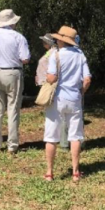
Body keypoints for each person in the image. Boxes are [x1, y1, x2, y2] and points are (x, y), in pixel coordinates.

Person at [43, 26, 92, 182]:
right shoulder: (80, 55)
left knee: (51, 136)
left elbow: (51, 77)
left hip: (57, 99)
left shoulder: (55, 55)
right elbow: (87, 79)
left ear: (61, 40)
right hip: (74, 98)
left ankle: (50, 172)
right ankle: (76, 172)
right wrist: (81, 91)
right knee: (75, 136)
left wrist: (48, 79)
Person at [0, 9, 31, 154]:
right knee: (13, 109)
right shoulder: (18, 37)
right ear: (13, 22)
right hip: (12, 72)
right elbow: (25, 59)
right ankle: (12, 145)